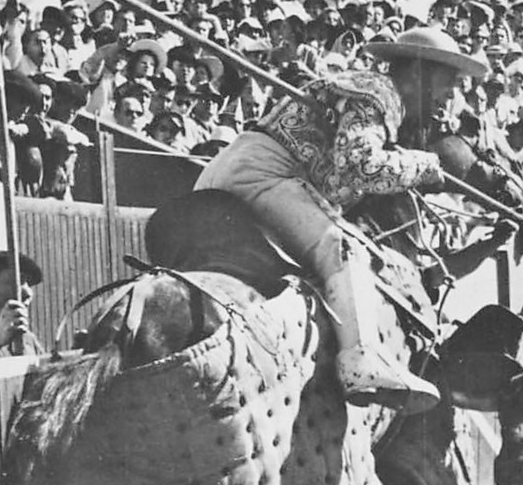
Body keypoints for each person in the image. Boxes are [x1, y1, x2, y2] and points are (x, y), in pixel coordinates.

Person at [196, 26, 486, 413]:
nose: (449, 97)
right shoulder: (379, 93)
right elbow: (360, 167)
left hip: (221, 172)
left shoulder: (363, 90)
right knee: (343, 247)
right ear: (419, 72)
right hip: (264, 177)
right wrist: (426, 165)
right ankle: (361, 362)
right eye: (447, 83)